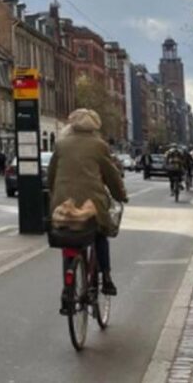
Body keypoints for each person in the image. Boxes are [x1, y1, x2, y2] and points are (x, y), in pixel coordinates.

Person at [48, 108, 128, 309]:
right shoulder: (99, 145)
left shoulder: (61, 144)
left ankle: (68, 290)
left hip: (63, 203)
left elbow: (51, 174)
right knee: (101, 233)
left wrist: (54, 195)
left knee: (69, 240)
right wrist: (120, 195)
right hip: (91, 204)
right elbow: (111, 175)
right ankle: (107, 278)